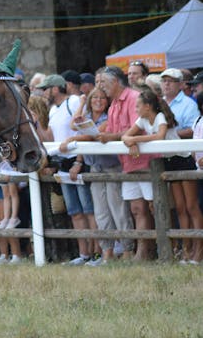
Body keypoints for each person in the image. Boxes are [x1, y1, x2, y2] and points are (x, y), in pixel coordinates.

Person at [122, 87, 203, 264]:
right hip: (169, 162)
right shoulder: (143, 120)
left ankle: (199, 250)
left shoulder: (160, 117)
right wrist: (130, 141)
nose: (135, 109)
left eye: (138, 106)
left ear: (148, 106)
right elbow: (126, 135)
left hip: (182, 160)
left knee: (191, 206)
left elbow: (160, 135)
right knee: (180, 208)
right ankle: (186, 249)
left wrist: (134, 140)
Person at [60, 82, 133, 264]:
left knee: (118, 209)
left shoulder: (109, 116)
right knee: (101, 212)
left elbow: (94, 135)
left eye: (102, 98)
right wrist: (82, 102)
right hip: (96, 167)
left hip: (111, 166)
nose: (98, 101)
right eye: (95, 98)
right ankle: (106, 250)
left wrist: (70, 139)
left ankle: (127, 249)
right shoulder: (87, 116)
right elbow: (74, 123)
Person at [37, 74, 97, 265]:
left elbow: (81, 129)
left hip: (76, 160)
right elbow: (51, 138)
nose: (44, 93)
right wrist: (35, 122)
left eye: (46, 89)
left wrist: (79, 161)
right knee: (74, 211)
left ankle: (97, 252)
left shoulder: (73, 102)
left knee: (88, 210)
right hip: (63, 162)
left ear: (55, 89)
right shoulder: (54, 109)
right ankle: (84, 253)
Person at [98, 66, 155, 260]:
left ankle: (161, 249)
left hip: (145, 161)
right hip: (128, 163)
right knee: (137, 209)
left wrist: (108, 136)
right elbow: (116, 134)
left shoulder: (132, 98)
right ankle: (142, 252)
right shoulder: (113, 104)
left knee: (154, 206)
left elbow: (136, 129)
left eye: (104, 83)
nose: (101, 87)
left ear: (115, 82)